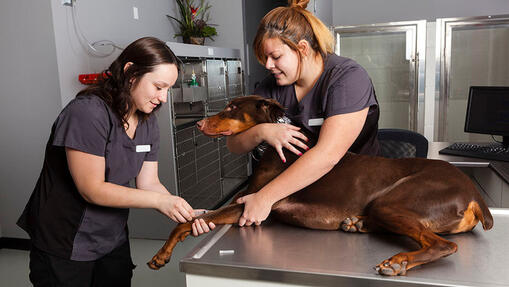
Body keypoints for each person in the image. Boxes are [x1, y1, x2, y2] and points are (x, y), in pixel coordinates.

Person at [17, 37, 214, 287]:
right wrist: (161, 201)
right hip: (64, 239)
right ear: (131, 72)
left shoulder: (147, 121)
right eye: (158, 86)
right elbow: (92, 189)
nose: (163, 98)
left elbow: (149, 183)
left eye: (168, 89)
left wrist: (183, 213)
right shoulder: (87, 113)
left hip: (111, 237)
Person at [227, 0, 380, 227]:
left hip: (354, 191)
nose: (268, 65)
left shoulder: (347, 78)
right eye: (264, 57)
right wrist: (262, 131)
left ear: (302, 49)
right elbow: (234, 144)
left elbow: (328, 155)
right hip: (298, 189)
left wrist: (265, 197)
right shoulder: (271, 87)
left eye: (276, 57)